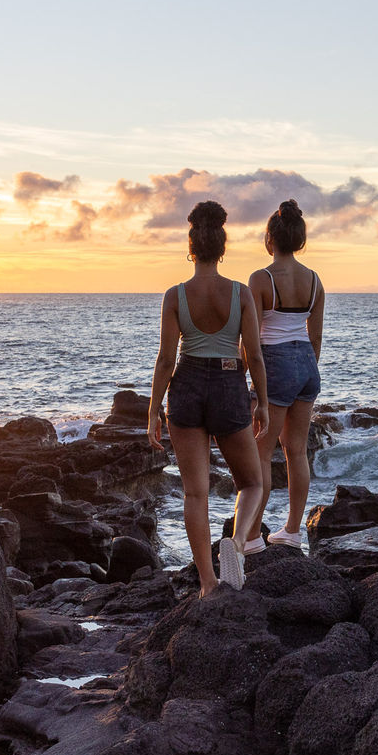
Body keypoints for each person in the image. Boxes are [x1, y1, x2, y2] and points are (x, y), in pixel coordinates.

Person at [147, 201, 270, 597]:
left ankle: (206, 583)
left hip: (186, 385)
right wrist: (262, 402)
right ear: (222, 248)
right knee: (251, 483)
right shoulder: (240, 293)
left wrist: (152, 412)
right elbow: (253, 353)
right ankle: (235, 544)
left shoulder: (175, 295)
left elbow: (167, 359)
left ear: (191, 247)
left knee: (195, 493)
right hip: (230, 384)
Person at [244, 199, 325, 551]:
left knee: (260, 452)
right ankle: (292, 530)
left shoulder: (261, 279)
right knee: (296, 451)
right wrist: (304, 371)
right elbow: (316, 337)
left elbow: (249, 339)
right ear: (300, 240)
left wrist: (243, 376)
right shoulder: (314, 280)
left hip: (274, 364)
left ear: (269, 239)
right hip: (306, 363)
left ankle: (251, 535)